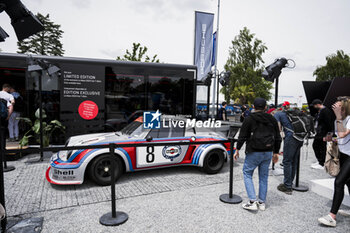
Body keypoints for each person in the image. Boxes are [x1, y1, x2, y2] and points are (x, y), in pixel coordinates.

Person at [234, 97, 281, 211]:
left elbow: (243, 136)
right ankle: (262, 202)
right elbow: (278, 137)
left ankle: (252, 201)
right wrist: (276, 152)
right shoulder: (272, 119)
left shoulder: (249, 118)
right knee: (264, 177)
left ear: (253, 107)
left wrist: (237, 149)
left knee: (247, 173)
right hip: (268, 151)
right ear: (265, 107)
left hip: (254, 151)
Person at [318, 96, 350, 227]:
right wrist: (332, 139)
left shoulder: (347, 119)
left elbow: (342, 134)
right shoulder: (342, 119)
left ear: (344, 108)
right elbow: (340, 137)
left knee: (339, 182)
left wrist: (337, 116)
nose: (335, 109)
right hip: (344, 154)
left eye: (338, 107)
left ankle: (332, 216)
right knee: (348, 182)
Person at [274, 101, 304, 194]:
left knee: (287, 161)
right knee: (294, 161)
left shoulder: (278, 114)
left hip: (291, 138)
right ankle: (290, 182)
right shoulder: (295, 113)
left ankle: (287, 186)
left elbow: (278, 128)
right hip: (300, 138)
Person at [311, 99, 335, 169]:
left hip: (323, 132)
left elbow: (328, 122)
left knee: (320, 146)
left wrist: (329, 133)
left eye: (314, 105)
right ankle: (320, 161)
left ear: (318, 104)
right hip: (320, 132)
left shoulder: (325, 111)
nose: (314, 107)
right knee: (317, 146)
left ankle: (322, 162)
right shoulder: (321, 111)